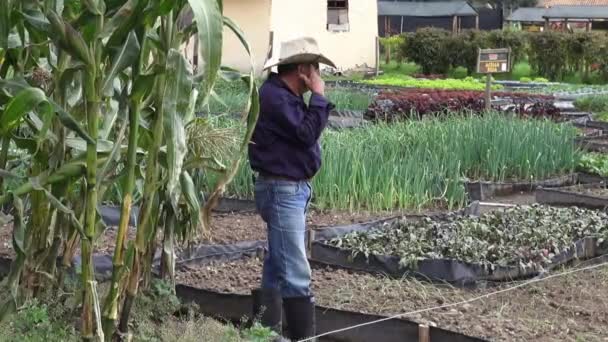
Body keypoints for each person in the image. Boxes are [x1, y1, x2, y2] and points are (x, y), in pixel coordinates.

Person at [249, 36, 336, 341]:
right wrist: (320, 97)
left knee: (277, 264)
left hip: (290, 189)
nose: (318, 76)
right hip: (281, 190)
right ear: (302, 69)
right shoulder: (275, 97)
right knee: (296, 271)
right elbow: (306, 133)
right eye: (315, 69)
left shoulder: (284, 95)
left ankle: (264, 334)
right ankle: (303, 339)